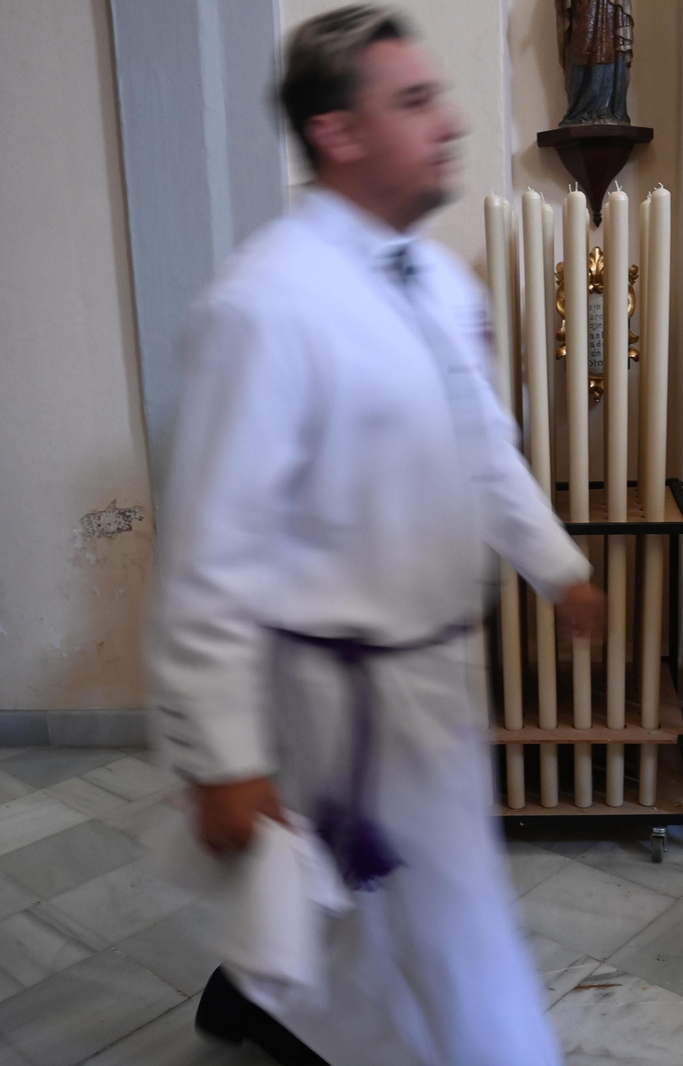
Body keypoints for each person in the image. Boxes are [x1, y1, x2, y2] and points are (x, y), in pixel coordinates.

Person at [147, 6, 602, 1065]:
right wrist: (219, 755)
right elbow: (210, 554)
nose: (447, 121)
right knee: (456, 924)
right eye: (413, 101)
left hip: (436, 669)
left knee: (367, 898)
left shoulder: (436, 281)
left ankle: (263, 993)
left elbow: (483, 448)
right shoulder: (263, 304)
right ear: (337, 134)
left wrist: (557, 569)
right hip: (339, 688)